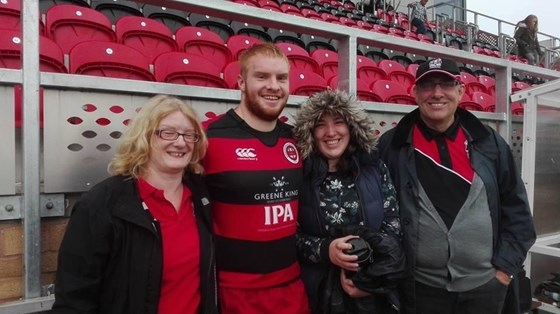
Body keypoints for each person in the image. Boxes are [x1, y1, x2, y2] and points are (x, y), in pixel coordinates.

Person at [377, 58, 537, 314]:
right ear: (415, 93)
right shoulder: (392, 145)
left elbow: (517, 211)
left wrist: (504, 271)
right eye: (428, 85)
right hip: (420, 290)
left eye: (446, 84)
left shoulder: (489, 143)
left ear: (460, 91)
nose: (437, 93)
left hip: (486, 288)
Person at [52, 95, 217, 314]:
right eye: (167, 132)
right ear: (144, 137)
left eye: (189, 135)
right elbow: (74, 300)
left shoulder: (201, 197)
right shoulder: (101, 204)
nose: (180, 142)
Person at [203, 43, 310, 313]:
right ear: (241, 82)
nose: (273, 86)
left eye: (281, 78)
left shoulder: (297, 139)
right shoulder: (208, 137)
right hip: (236, 293)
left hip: (293, 287)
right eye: (262, 76)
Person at [293, 89, 406, 314]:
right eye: (320, 125)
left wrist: (369, 277)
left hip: (372, 290)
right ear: (310, 132)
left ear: (352, 128)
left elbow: (393, 222)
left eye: (338, 122)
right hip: (318, 291)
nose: (331, 132)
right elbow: (288, 235)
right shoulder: (298, 173)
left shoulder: (375, 168)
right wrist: (326, 249)